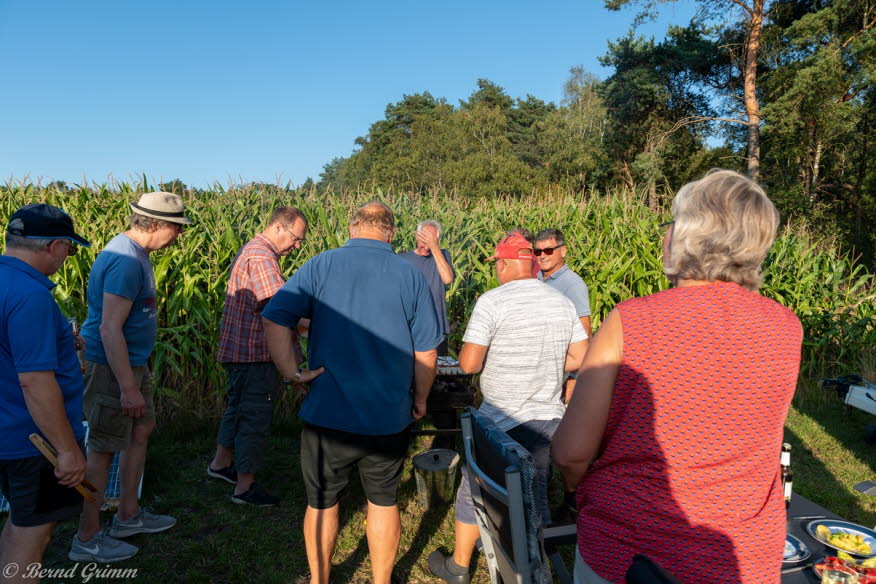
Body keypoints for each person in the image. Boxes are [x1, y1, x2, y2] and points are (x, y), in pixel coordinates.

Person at [552, 170, 803, 584]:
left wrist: (581, 487)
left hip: (630, 555)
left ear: (685, 235)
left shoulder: (632, 320)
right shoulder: (786, 328)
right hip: (742, 558)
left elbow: (570, 453)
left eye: (670, 224)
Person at [261, 201, 441, 584]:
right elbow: (426, 351)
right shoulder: (410, 275)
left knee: (322, 503)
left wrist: (293, 373)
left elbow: (276, 316)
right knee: (383, 500)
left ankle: (319, 579)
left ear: (352, 227)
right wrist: (421, 399)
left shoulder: (320, 265)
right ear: (391, 232)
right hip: (388, 414)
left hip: (328, 412)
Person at [428, 232, 589, 584]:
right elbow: (581, 356)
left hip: (499, 419)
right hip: (546, 418)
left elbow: (469, 364)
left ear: (502, 263)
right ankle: (536, 558)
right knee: (537, 487)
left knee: (473, 491)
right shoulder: (560, 302)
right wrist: (543, 362)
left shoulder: (493, 302)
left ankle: (458, 566)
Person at [71, 192, 190, 562]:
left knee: (140, 431)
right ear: (156, 225)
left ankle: (128, 515)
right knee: (102, 449)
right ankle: (87, 537)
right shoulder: (125, 261)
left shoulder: (137, 255)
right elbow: (109, 329)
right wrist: (126, 387)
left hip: (132, 365)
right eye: (176, 228)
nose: (179, 236)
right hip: (112, 369)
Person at [0, 204, 93, 580]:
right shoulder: (32, 295)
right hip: (34, 441)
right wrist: (67, 451)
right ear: (54, 245)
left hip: (7, 432)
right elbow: (34, 381)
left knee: (18, 524)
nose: (67, 257)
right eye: (70, 249)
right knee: (32, 537)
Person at [207, 207, 308, 506]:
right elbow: (278, 308)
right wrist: (315, 324)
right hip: (254, 353)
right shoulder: (263, 257)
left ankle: (221, 464)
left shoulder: (255, 250)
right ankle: (245, 487)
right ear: (279, 227)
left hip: (240, 351)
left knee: (237, 409)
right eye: (295, 238)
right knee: (254, 416)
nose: (297, 245)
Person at [399, 219, 455, 354]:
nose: (427, 247)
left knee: (439, 371)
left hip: (437, 328)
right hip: (411, 330)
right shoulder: (402, 260)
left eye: (431, 242)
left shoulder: (442, 255)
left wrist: (434, 246)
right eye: (423, 241)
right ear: (417, 236)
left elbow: (447, 279)